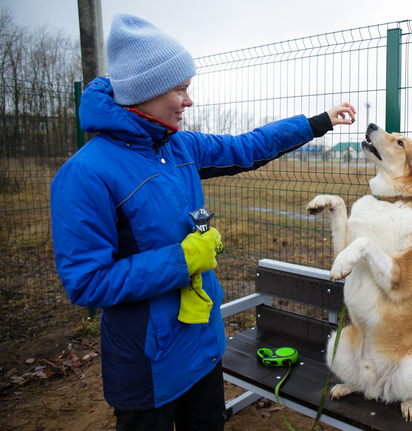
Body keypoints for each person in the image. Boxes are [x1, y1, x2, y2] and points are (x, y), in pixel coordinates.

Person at [50, 13, 355, 431]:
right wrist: (183, 258)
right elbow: (86, 282)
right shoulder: (86, 173)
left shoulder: (178, 147)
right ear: (145, 91)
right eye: (180, 89)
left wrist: (317, 122)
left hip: (203, 346)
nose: (189, 101)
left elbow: (246, 147)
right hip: (147, 367)